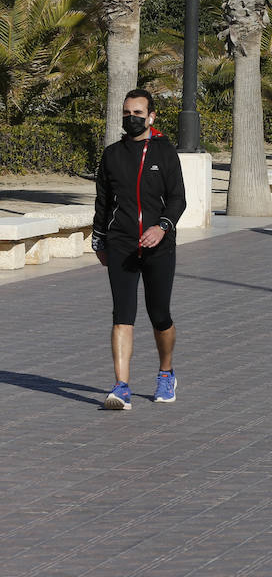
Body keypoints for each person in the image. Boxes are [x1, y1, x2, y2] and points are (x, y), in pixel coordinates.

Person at [93, 88, 187, 409]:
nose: (131, 119)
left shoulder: (165, 152)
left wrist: (162, 227)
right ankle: (121, 386)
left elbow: (177, 199)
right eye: (126, 113)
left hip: (159, 246)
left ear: (151, 116)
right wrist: (99, 238)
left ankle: (165, 372)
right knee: (122, 315)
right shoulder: (112, 155)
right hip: (121, 243)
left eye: (137, 113)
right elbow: (103, 202)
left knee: (159, 314)